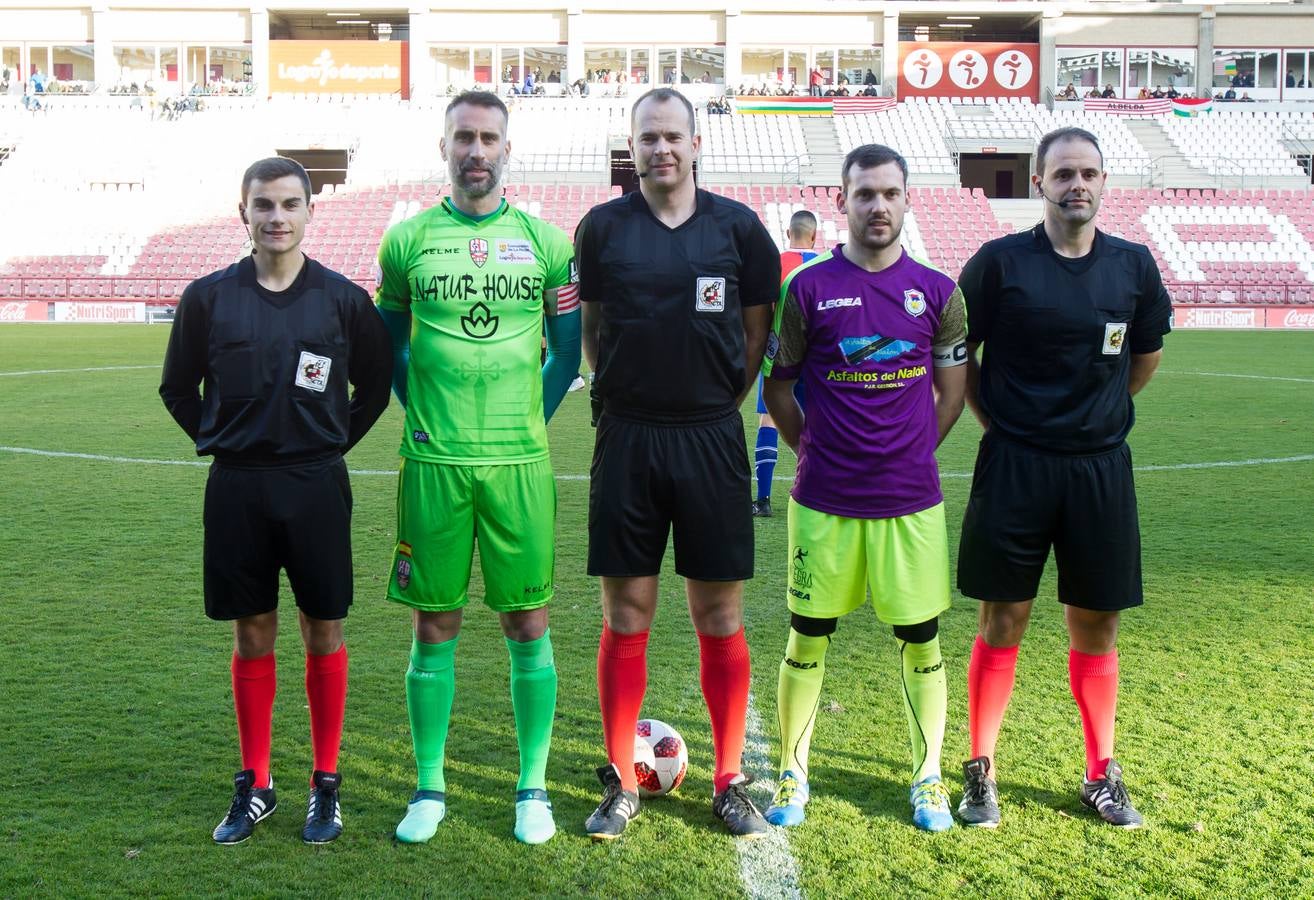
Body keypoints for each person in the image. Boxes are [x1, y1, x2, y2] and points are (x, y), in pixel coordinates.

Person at [159, 156, 393, 846]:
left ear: (310, 213)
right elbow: (178, 388)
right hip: (237, 486)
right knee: (251, 631)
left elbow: (375, 389)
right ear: (244, 214)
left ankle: (326, 787)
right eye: (264, 206)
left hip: (317, 485)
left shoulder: (345, 300)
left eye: (290, 205)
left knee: (323, 629)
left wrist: (326, 444)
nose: (277, 218)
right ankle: (256, 784)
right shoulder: (207, 298)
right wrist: (222, 436)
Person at [374, 91, 580, 847]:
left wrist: (533, 418)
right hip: (433, 460)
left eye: (489, 137)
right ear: (444, 146)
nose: (476, 150)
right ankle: (430, 786)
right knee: (436, 622)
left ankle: (533, 788)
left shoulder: (548, 243)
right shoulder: (406, 242)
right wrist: (416, 409)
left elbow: (568, 350)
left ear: (507, 149)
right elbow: (388, 343)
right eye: (464, 136)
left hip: (518, 463)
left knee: (528, 621)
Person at [576, 87, 780, 840]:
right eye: (647, 137)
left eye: (673, 136)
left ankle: (729, 780)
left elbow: (755, 334)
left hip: (710, 436)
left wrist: (717, 395)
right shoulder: (602, 229)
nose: (661, 149)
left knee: (717, 612)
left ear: (697, 144)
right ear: (631, 148)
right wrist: (627, 390)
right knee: (626, 612)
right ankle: (621, 780)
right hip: (627, 436)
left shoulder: (739, 230)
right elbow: (593, 332)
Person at [954, 127, 1171, 830]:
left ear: (1104, 182)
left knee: (1097, 623)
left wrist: (1098, 418)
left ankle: (1100, 772)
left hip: (1100, 470)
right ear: (1039, 183)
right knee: (1002, 617)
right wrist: (1001, 424)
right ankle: (981, 769)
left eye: (1089, 173)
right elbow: (961, 356)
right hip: (1015, 465)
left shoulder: (1134, 267)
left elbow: (1143, 359)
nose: (1077, 184)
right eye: (1063, 173)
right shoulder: (998, 263)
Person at [760, 145, 968, 833]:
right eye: (864, 194)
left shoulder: (939, 292)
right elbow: (780, 387)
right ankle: (793, 774)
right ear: (842, 201)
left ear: (907, 200)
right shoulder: (809, 289)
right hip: (824, 501)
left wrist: (908, 452)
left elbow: (952, 391)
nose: (877, 206)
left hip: (910, 501)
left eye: (890, 194)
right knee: (808, 633)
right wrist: (810, 448)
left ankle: (928, 778)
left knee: (921, 638)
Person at [752, 209, 818, 518]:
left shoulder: (775, 263)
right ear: (814, 235)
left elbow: (763, 311)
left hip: (779, 355)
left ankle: (763, 500)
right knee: (818, 423)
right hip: (818, 359)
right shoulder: (827, 265)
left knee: (770, 421)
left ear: (788, 233)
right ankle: (816, 490)